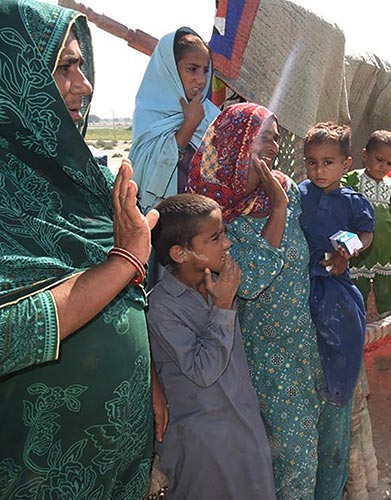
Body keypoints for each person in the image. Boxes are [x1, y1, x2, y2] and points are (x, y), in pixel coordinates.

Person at [0, 1, 160, 497]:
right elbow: (8, 334)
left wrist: (148, 380)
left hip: (121, 456)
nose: (85, 85)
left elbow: (124, 301)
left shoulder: (82, 179)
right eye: (63, 67)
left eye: (82, 66)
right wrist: (127, 260)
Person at [188, 103, 335, 500]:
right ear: (237, 142)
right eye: (265, 136)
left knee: (303, 444)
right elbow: (249, 280)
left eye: (275, 136)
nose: (274, 145)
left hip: (300, 340)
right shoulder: (218, 213)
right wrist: (281, 211)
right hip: (260, 354)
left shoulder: (282, 190)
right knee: (282, 452)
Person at [147, 194, 276, 499]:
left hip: (242, 427)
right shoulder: (162, 306)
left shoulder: (215, 284)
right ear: (180, 253)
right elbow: (203, 371)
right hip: (204, 445)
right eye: (215, 237)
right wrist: (222, 306)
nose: (227, 244)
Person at [298, 122, 375, 499]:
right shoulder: (298, 195)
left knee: (342, 340)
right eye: (311, 162)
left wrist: (349, 252)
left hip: (333, 280)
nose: (318, 170)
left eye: (327, 162)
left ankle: (337, 394)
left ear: (345, 164)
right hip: (300, 280)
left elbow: (366, 233)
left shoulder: (353, 202)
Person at [130, 27, 219, 211]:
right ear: (168, 69)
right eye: (192, 69)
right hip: (163, 220)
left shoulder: (213, 116)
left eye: (205, 70)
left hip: (206, 221)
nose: (201, 80)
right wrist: (190, 125)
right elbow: (148, 176)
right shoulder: (150, 112)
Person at [342, 130, 391, 317]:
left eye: (389, 163)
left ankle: (386, 312)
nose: (384, 166)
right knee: (357, 281)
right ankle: (357, 317)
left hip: (386, 244)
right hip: (360, 243)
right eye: (379, 159)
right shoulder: (352, 179)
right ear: (364, 155)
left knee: (388, 280)